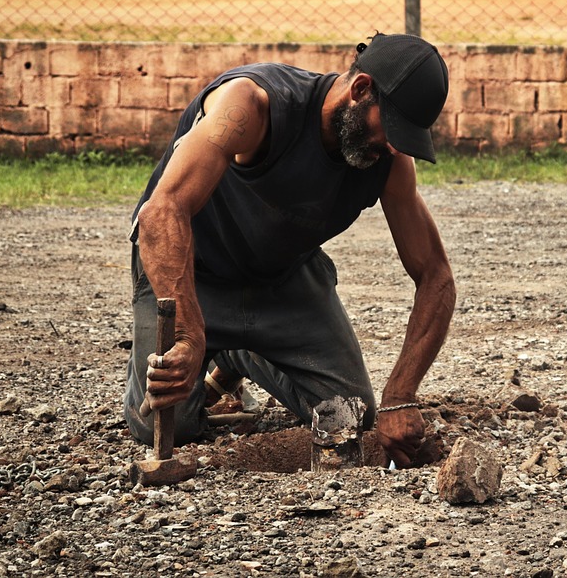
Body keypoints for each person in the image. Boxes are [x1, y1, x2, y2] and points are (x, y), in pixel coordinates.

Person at [122, 32, 456, 468]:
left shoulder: (388, 161)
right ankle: (216, 344)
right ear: (360, 90)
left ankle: (242, 351)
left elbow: (436, 276)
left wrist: (400, 397)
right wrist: (187, 335)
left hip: (281, 277)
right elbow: (161, 214)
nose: (393, 146)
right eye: (391, 130)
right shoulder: (252, 104)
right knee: (164, 425)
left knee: (349, 416)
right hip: (192, 274)